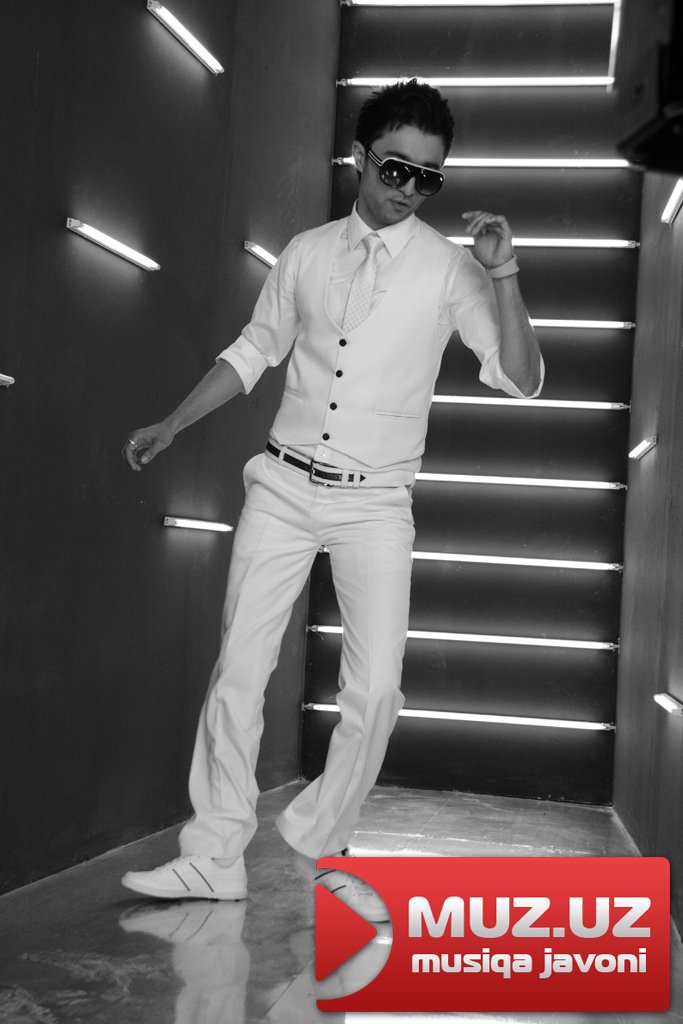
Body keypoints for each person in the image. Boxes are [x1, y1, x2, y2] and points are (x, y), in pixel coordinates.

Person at [120, 79, 543, 919]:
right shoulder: (306, 252)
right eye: (395, 168)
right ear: (359, 158)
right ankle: (213, 856)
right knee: (239, 671)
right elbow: (252, 352)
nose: (409, 188)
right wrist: (172, 423)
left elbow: (523, 379)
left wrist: (503, 274)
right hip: (281, 485)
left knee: (376, 689)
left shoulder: (452, 269)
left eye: (428, 177)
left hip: (375, 501)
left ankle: (317, 836)